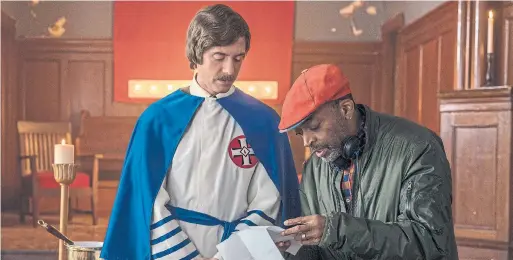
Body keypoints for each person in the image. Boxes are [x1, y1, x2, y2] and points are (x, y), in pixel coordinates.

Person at [100, 4, 301, 260]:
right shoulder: (157, 120)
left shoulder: (262, 121)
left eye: (238, 58)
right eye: (219, 57)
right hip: (172, 252)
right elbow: (147, 201)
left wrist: (228, 256)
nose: (230, 70)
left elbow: (270, 200)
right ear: (197, 55)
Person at [276, 64, 458, 259]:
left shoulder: (418, 147)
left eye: (314, 127)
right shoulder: (315, 166)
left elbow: (428, 242)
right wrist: (288, 251)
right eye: (300, 133)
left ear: (346, 109)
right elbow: (315, 250)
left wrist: (339, 230)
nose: (306, 141)